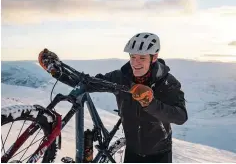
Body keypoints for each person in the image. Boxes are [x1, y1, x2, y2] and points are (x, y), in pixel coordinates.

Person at [38, 32, 188, 163]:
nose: (135, 63)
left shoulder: (167, 83)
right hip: (132, 150)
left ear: (154, 57)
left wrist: (150, 103)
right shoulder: (121, 77)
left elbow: (181, 116)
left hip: (159, 153)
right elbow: (87, 84)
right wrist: (56, 72)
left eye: (142, 58)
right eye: (133, 57)